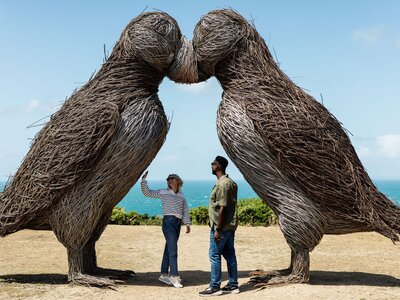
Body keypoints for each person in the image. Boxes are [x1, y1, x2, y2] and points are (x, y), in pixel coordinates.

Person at [141, 171, 191, 288]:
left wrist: (187, 223)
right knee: (173, 250)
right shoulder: (163, 192)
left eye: (172, 178)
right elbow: (147, 193)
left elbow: (185, 210)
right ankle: (174, 276)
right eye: (168, 179)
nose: (169, 180)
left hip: (177, 223)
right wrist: (144, 181)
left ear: (178, 181)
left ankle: (164, 275)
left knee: (169, 249)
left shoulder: (181, 195)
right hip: (168, 222)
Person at [199, 156, 239, 297]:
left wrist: (218, 230)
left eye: (213, 164)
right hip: (229, 226)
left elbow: (222, 208)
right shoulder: (231, 182)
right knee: (230, 255)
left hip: (221, 228)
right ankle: (233, 285)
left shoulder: (223, 184)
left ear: (219, 166)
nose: (211, 166)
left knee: (215, 256)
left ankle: (215, 287)